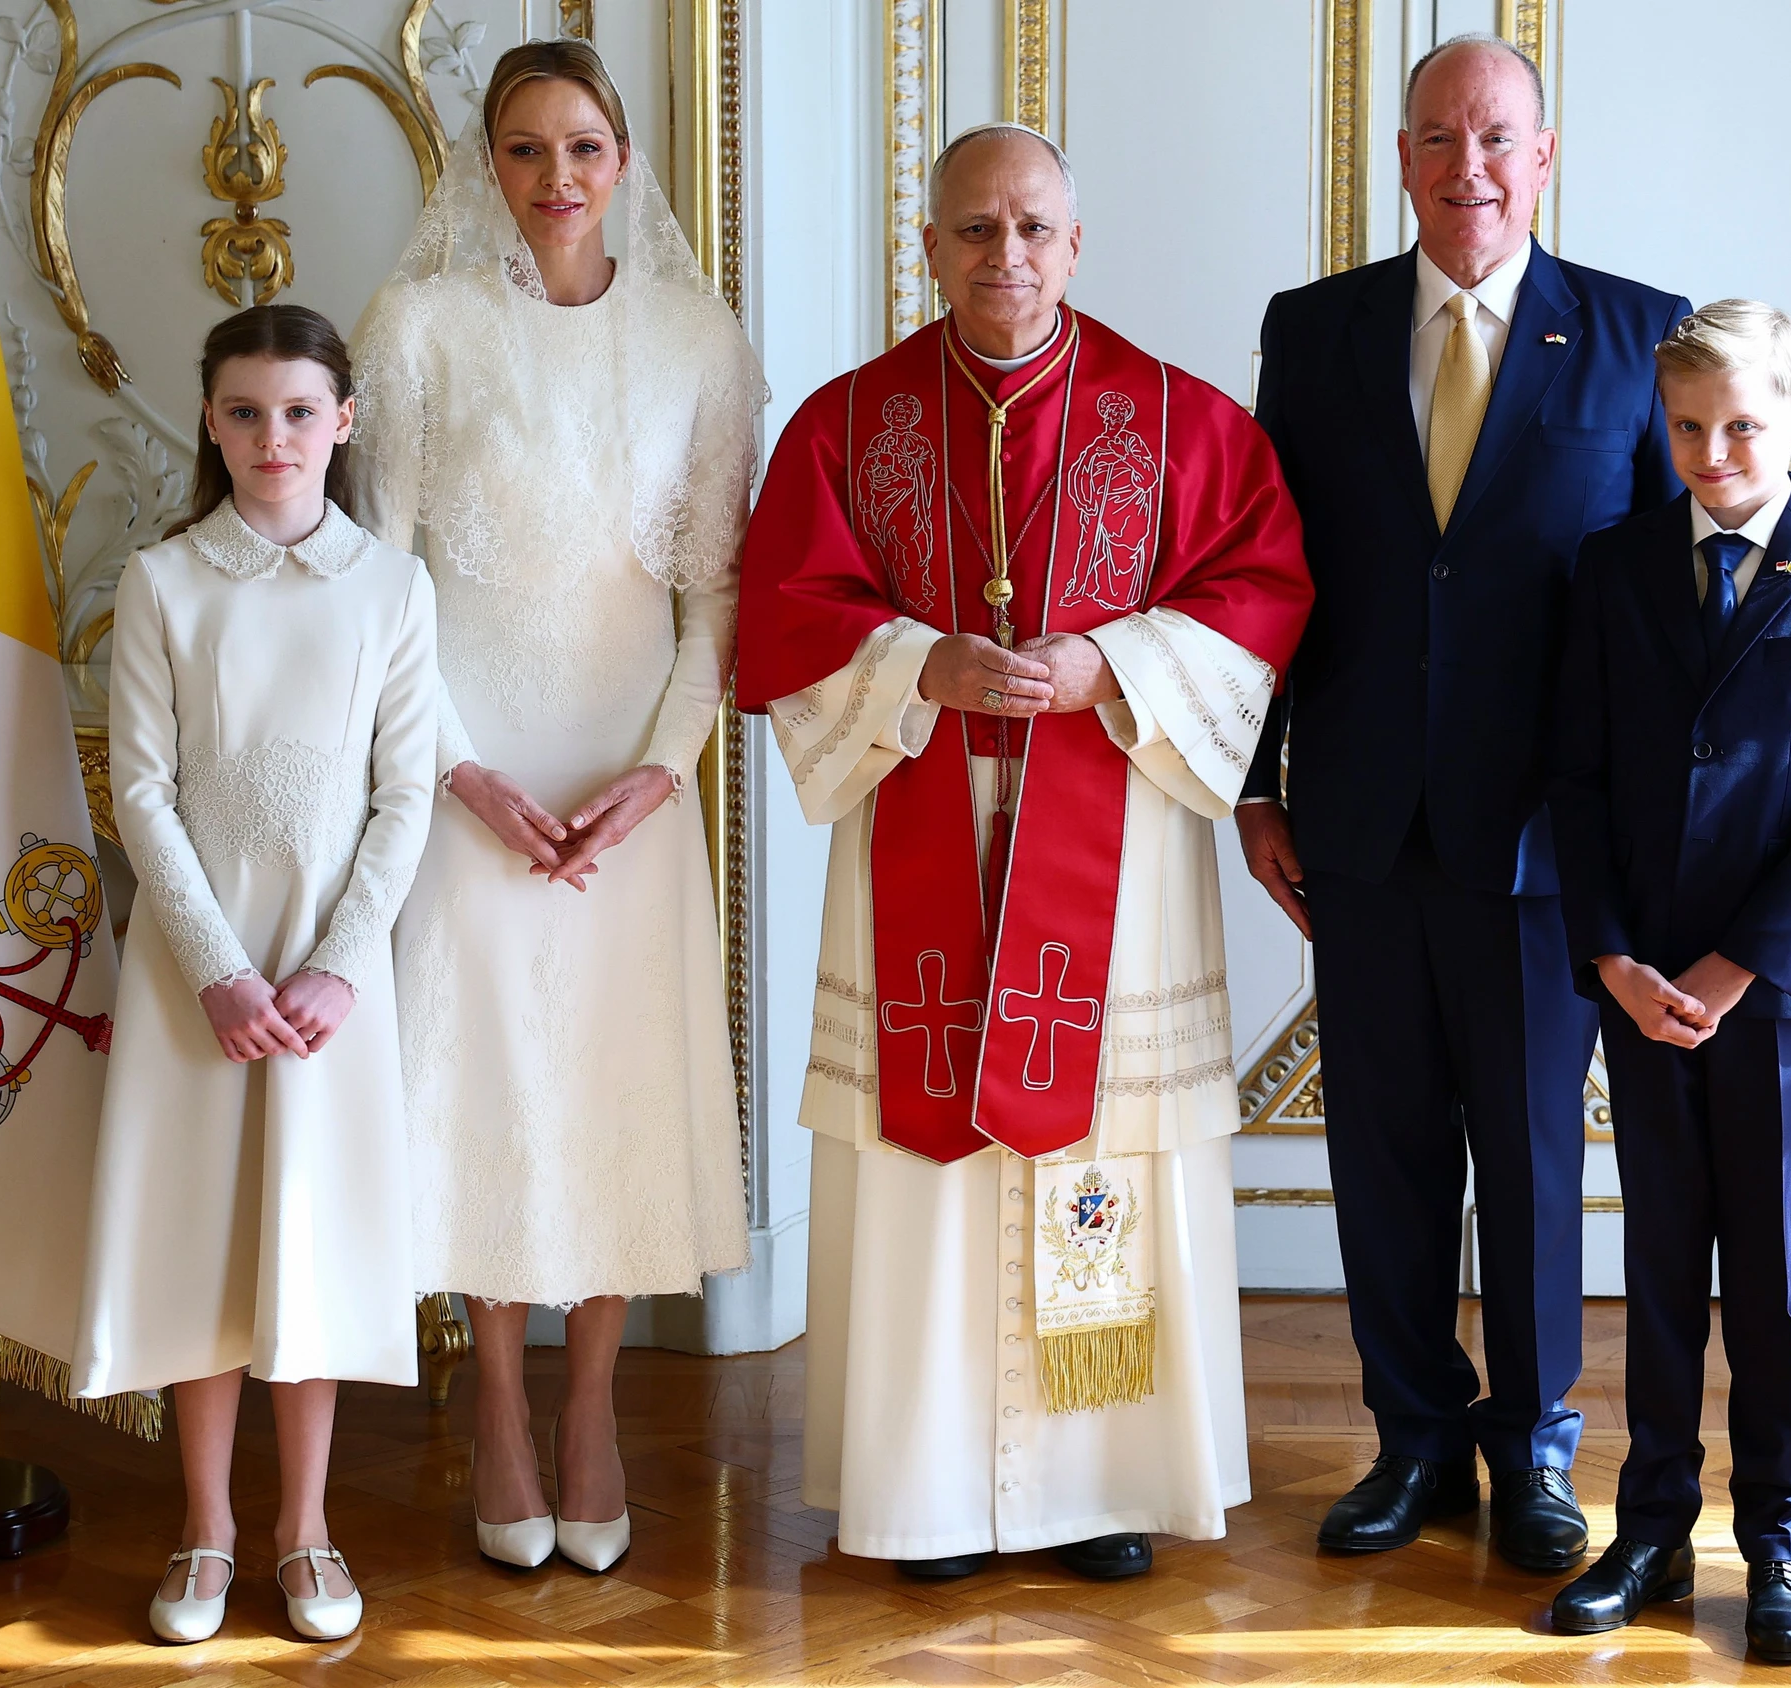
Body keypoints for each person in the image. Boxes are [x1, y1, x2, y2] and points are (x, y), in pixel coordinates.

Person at [735, 123, 1311, 1583]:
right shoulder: (848, 423)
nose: (1008, 257)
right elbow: (790, 608)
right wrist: (921, 669)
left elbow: (1260, 586)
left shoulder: (1177, 422)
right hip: (916, 812)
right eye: (976, 230)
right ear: (926, 247)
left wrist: (1111, 667)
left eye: (1035, 228)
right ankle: (923, 1487)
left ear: (1076, 243)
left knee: (1093, 1156)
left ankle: (1097, 1478)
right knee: (929, 1165)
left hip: (1109, 844)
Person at [1240, 33, 1689, 1562]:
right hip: (1357, 820)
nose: (1468, 167)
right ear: (1405, 160)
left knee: (1534, 1158)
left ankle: (1538, 1448)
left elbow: (1663, 616)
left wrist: (1653, 841)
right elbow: (1263, 581)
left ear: (1543, 157)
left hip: (1546, 840)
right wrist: (1254, 784)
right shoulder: (1313, 334)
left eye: (1496, 137)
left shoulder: (1637, 339)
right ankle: (1414, 1440)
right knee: (1383, 1149)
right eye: (1438, 138)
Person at [347, 38, 761, 1576]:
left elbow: (714, 594)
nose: (557, 177)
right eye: (526, 150)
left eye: (583, 146)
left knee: (608, 1080)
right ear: (487, 168)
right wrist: (455, 770)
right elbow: (381, 582)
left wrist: (662, 771)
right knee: (486, 1075)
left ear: (627, 161)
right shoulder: (419, 327)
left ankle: (592, 1410)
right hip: (467, 768)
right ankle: (501, 1409)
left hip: (628, 774)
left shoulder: (699, 340)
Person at [71, 304, 439, 1645]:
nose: (272, 438)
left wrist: (341, 969)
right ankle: (207, 1528)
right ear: (210, 423)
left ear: (341, 424)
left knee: (312, 1237)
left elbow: (406, 798)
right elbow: (141, 794)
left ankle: (308, 1529)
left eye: (298, 412)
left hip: (332, 976)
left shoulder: (394, 590)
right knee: (202, 1236)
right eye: (244, 412)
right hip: (199, 973)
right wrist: (219, 970)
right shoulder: (165, 586)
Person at [1545, 301, 1791, 1663]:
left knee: (1764, 1268)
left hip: (1776, 987)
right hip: (1641, 981)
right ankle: (1646, 1531)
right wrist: (1616, 956)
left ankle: (1776, 1539)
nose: (1710, 452)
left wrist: (1732, 962)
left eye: (1741, 426)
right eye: (1687, 426)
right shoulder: (1615, 565)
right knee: (1655, 1262)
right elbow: (1574, 780)